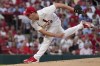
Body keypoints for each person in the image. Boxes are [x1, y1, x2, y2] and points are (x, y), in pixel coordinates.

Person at [23, 3, 94, 63]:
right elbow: (44, 32)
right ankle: (81, 25)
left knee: (47, 39)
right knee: (63, 35)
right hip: (48, 26)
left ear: (33, 13)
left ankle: (36, 58)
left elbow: (58, 5)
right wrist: (57, 35)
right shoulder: (33, 23)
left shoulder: (44, 11)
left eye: (28, 15)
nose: (27, 16)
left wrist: (73, 10)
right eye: (26, 15)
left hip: (55, 21)